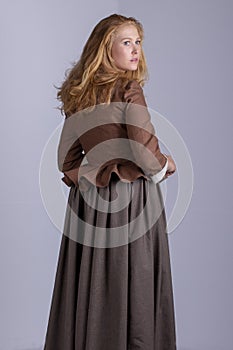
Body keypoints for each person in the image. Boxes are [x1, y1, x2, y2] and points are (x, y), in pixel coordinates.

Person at [43, 13, 177, 350]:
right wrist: (164, 165)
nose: (136, 50)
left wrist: (93, 174)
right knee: (135, 284)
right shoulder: (129, 89)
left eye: (138, 42)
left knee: (93, 286)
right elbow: (145, 150)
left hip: (88, 209)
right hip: (132, 202)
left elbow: (66, 160)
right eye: (127, 42)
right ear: (107, 49)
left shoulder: (80, 96)